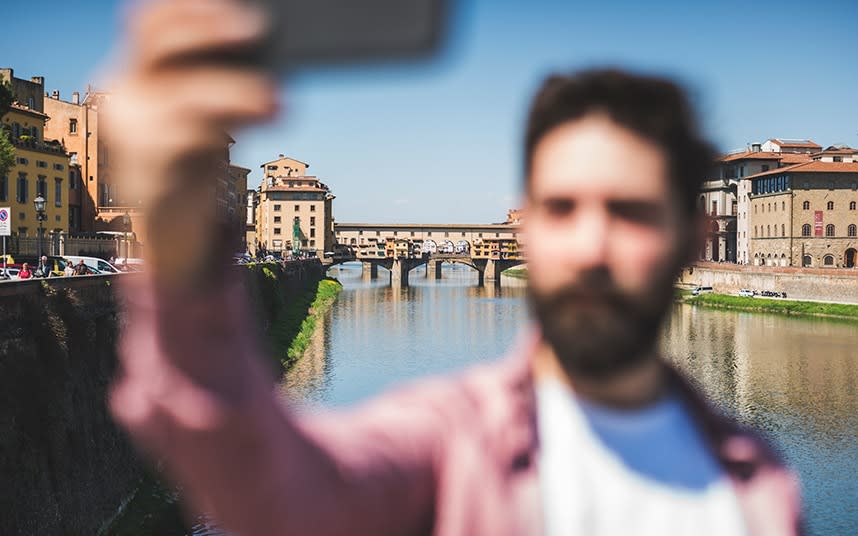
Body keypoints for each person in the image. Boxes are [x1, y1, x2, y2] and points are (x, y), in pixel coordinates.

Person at [106, 1, 802, 535]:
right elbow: (270, 488)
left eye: (631, 212)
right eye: (561, 208)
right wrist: (177, 238)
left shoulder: (761, 484)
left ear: (694, 236)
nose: (591, 246)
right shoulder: (449, 437)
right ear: (523, 225)